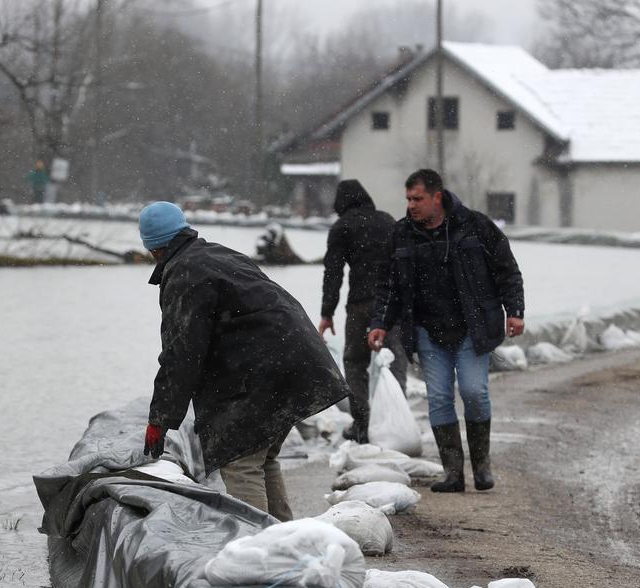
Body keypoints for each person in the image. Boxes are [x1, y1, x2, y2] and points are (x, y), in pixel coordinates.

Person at [138, 201, 349, 521]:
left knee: (240, 463)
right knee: (262, 460)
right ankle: (286, 543)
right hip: (297, 361)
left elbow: (182, 353)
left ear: (153, 248)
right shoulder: (216, 254)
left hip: (263, 372)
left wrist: (160, 419)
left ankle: (262, 555)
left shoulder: (185, 272)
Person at [368, 169, 525, 493]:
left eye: (418, 199)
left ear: (437, 197)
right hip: (426, 330)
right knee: (439, 397)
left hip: (472, 326)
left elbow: (507, 270)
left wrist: (515, 311)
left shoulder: (475, 226)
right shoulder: (401, 235)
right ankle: (453, 473)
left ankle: (481, 465)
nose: (411, 206)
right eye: (408, 199)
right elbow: (388, 286)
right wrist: (379, 323)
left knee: (473, 391)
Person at [318, 178, 408, 443]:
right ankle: (395, 421)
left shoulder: (341, 227)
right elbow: (404, 262)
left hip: (360, 304)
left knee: (355, 362)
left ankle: (363, 423)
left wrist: (327, 313)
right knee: (395, 360)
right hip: (392, 302)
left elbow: (333, 273)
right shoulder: (387, 220)